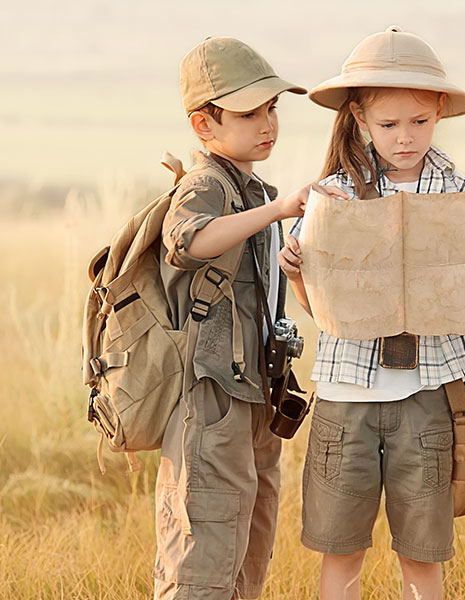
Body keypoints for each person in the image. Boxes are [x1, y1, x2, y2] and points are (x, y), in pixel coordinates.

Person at [277, 26, 465, 600]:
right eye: (388, 125)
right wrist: (297, 269)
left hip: (431, 392)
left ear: (439, 111)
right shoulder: (330, 197)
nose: (405, 137)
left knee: (423, 556)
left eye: (418, 122)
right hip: (345, 394)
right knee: (341, 554)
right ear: (360, 121)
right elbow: (318, 309)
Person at [154, 37, 343, 600]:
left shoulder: (251, 187)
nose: (267, 124)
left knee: (248, 559)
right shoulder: (206, 183)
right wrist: (280, 211)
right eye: (248, 113)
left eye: (271, 109)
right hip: (211, 404)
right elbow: (185, 240)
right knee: (202, 563)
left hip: (255, 397)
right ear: (203, 125)